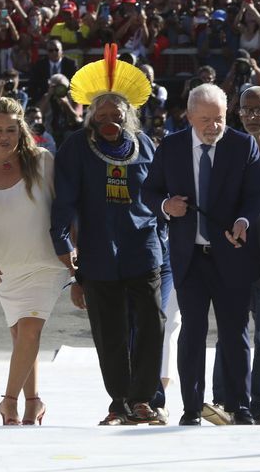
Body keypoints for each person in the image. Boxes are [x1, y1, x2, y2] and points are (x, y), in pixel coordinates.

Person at [50, 45, 164, 425]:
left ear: (128, 116)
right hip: (98, 252)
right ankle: (121, 401)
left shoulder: (145, 145)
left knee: (152, 321)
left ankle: (144, 398)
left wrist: (163, 234)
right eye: (101, 116)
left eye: (116, 115)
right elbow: (63, 202)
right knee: (109, 330)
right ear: (91, 119)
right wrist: (63, 243)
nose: (109, 121)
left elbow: (159, 194)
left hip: (143, 247)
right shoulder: (75, 148)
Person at [142, 82, 260, 426]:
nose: (214, 126)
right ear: (190, 116)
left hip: (232, 255)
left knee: (234, 333)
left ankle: (241, 406)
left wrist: (243, 220)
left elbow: (256, 194)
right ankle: (192, 408)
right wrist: (167, 206)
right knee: (192, 333)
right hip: (189, 258)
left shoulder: (243, 146)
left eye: (220, 118)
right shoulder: (172, 146)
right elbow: (149, 191)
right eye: (206, 119)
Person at [210, 86, 260, 425]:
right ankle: (225, 400)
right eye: (246, 109)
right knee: (231, 331)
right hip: (230, 258)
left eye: (259, 109)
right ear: (237, 113)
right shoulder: (221, 152)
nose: (252, 115)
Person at [0, 97, 65, 426]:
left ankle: (8, 402)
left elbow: (66, 209)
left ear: (22, 130)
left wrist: (75, 251)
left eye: (11, 130)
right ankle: (34, 402)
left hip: (45, 265)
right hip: (3, 270)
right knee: (23, 340)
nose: (4, 136)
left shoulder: (42, 161)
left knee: (29, 333)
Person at [28, 38, 78, 105]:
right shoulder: (39, 65)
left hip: (65, 96)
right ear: (47, 52)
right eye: (51, 50)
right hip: (46, 97)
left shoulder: (71, 64)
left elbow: (75, 84)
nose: (54, 52)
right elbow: (33, 85)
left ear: (61, 51)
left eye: (56, 50)